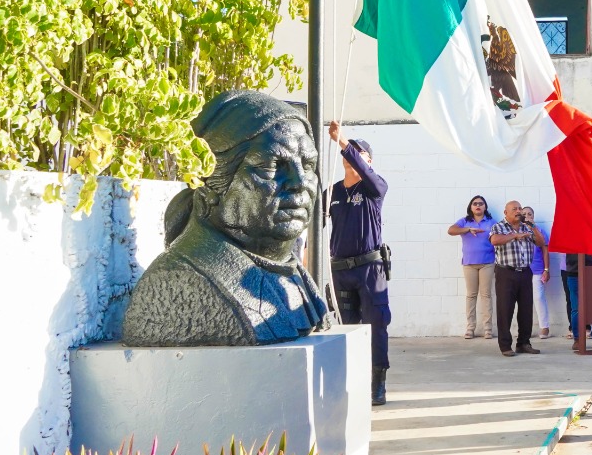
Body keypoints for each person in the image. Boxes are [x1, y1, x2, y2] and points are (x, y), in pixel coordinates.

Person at [123, 91, 328, 347]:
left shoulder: (293, 275)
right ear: (211, 185)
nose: (300, 183)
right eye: (272, 166)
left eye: (308, 165)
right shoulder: (183, 283)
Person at [326, 122, 393, 407]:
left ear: (369, 161)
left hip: (369, 269)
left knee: (376, 325)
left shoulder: (375, 187)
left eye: (359, 151)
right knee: (348, 328)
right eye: (350, 150)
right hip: (341, 270)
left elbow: (364, 171)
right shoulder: (333, 192)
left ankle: (377, 384)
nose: (352, 153)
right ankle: (351, 382)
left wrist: (342, 141)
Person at [489, 201, 544, 357]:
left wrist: (532, 226)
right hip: (506, 273)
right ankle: (505, 346)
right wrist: (514, 235)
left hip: (525, 272)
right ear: (506, 212)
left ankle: (524, 343)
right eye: (515, 209)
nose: (519, 211)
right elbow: (494, 241)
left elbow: (540, 243)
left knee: (526, 310)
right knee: (505, 309)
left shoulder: (527, 227)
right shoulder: (498, 227)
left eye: (520, 208)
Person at [448, 196, 495, 340]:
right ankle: (470, 328)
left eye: (481, 204)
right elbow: (451, 230)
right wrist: (467, 229)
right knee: (471, 295)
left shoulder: (492, 222)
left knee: (486, 295)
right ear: (471, 207)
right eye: (475, 204)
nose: (478, 206)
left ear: (485, 207)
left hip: (487, 262)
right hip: (469, 263)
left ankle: (488, 329)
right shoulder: (465, 221)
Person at [522, 206, 553, 338]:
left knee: (538, 298)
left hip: (537, 270)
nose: (527, 216)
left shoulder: (539, 231)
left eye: (530, 214)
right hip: (521, 270)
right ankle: (525, 329)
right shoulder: (516, 230)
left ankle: (544, 327)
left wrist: (547, 269)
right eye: (524, 214)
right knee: (524, 300)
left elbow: (545, 250)